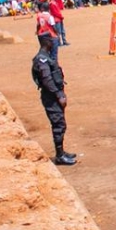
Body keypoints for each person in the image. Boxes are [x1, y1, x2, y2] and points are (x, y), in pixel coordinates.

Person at [31, 33, 76, 165]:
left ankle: (61, 152)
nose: (54, 42)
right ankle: (59, 156)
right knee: (58, 124)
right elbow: (47, 80)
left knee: (61, 123)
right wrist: (59, 95)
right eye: (51, 40)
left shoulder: (46, 57)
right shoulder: (41, 60)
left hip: (54, 95)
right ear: (46, 42)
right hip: (51, 97)